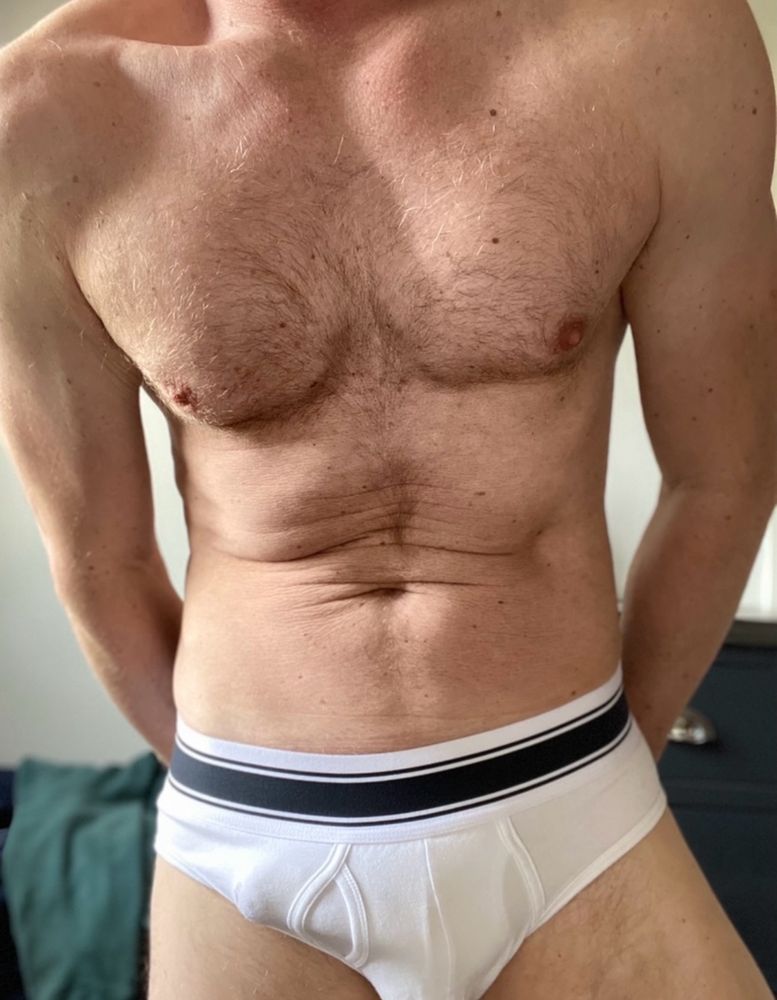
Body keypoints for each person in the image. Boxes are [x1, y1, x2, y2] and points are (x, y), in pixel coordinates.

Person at [1, 0, 775, 996]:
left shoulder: (659, 41)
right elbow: (99, 559)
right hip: (251, 845)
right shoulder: (45, 114)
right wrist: (243, 807)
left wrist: (617, 763)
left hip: (573, 792)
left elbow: (724, 474)